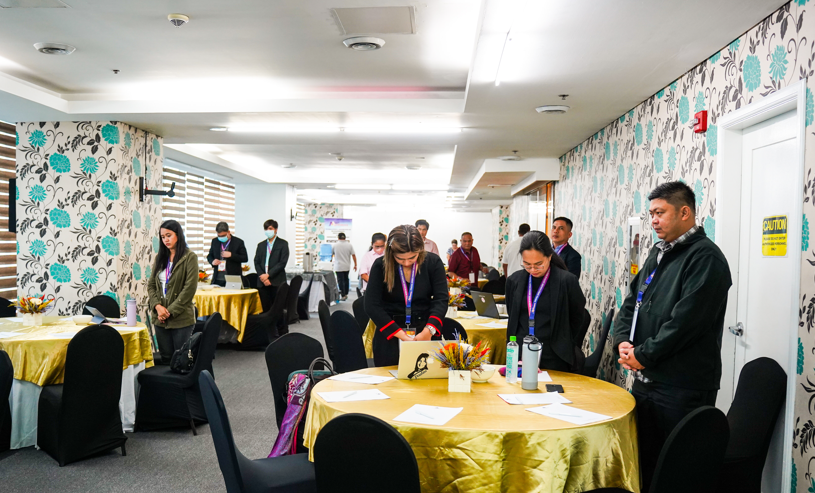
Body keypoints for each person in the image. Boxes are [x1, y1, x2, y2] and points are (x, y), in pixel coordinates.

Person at [612, 181, 732, 491]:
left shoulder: (706, 258)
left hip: (681, 387)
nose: (653, 220)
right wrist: (623, 341)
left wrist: (642, 355)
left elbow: (685, 324)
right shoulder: (659, 252)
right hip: (646, 380)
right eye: (651, 213)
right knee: (645, 465)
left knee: (678, 473)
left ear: (685, 212)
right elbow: (632, 302)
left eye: (660, 213)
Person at [364, 225, 448, 366]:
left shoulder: (433, 263)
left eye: (412, 257)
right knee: (388, 377)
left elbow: (441, 299)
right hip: (390, 332)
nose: (407, 263)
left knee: (425, 374)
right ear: (391, 252)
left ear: (420, 250)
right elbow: (371, 305)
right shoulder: (380, 265)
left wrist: (429, 330)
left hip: (424, 332)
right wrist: (400, 334)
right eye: (400, 259)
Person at [505, 231, 586, 372]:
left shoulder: (566, 281)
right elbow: (512, 314)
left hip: (554, 355)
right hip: (521, 353)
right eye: (527, 264)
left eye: (538, 264)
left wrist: (564, 341)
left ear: (549, 256)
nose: (533, 269)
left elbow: (577, 317)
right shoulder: (514, 281)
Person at [147, 220, 199, 364]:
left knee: (181, 360)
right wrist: (158, 307)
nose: (166, 240)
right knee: (166, 359)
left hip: (181, 318)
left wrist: (168, 312)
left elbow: (189, 289)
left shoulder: (190, 257)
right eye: (163, 237)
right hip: (160, 318)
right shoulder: (160, 258)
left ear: (178, 235)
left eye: (169, 235)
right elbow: (151, 285)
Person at [253, 219, 289, 313]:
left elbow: (282, 263)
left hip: (277, 280)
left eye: (270, 228)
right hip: (262, 282)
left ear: (276, 230)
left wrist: (268, 275)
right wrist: (263, 277)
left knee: (277, 309)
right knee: (265, 309)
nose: (268, 231)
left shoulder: (283, 244)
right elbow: (256, 262)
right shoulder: (261, 245)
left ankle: (279, 323)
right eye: (266, 229)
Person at [206, 221, 248, 287]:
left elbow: (244, 258)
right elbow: (210, 255)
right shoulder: (215, 241)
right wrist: (212, 261)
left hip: (232, 278)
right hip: (218, 278)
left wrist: (231, 255)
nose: (221, 237)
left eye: (223, 235)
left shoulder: (238, 242)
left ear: (228, 232)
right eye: (219, 236)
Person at [331, 232, 357, 301]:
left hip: (338, 266)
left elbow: (331, 255)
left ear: (338, 238)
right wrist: (355, 265)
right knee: (346, 279)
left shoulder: (335, 245)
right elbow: (353, 255)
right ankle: (346, 293)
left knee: (340, 280)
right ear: (345, 238)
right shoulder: (349, 245)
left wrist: (330, 262)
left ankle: (343, 295)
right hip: (347, 266)